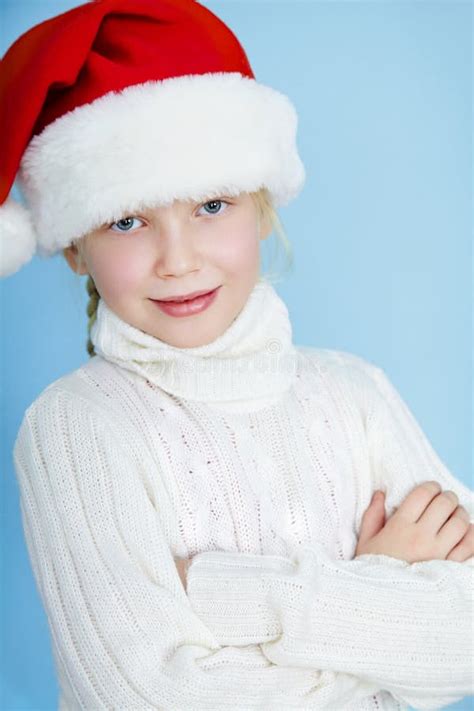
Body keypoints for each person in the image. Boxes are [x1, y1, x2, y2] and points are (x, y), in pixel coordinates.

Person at [1, 1, 473, 709]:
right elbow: (144, 697)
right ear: (73, 246)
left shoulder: (353, 392)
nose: (178, 258)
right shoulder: (75, 426)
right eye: (128, 220)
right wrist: (381, 596)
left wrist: (233, 594)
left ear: (261, 206)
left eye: (212, 206)